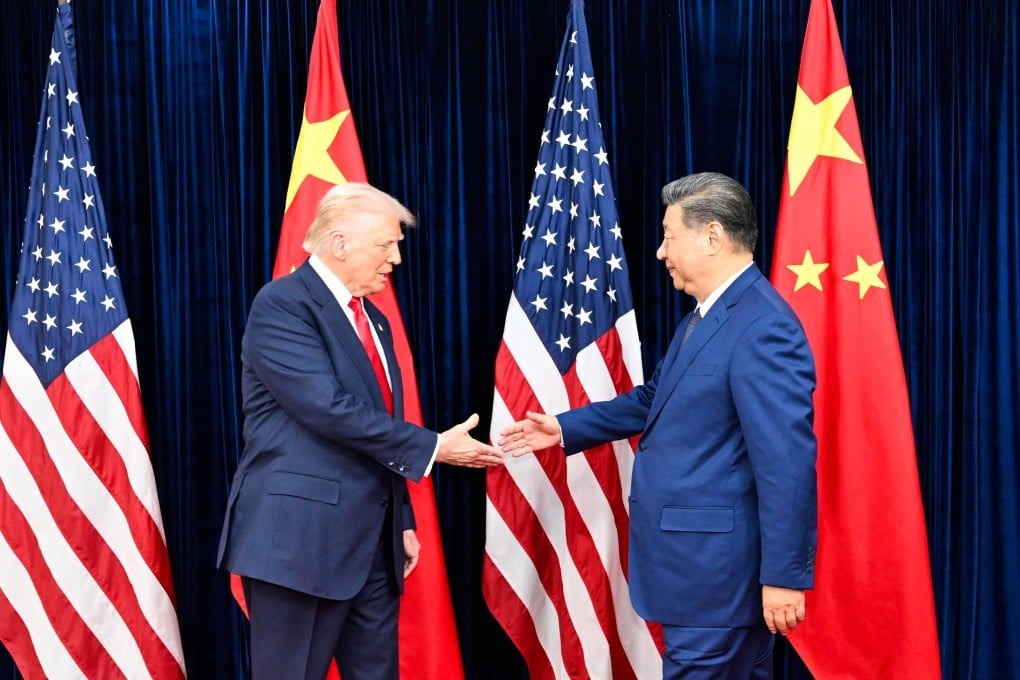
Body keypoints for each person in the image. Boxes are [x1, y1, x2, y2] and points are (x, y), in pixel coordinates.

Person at [500, 172, 817, 679]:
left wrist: (783, 576)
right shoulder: (704, 318)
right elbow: (657, 399)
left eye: (669, 236)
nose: (660, 252)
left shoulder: (763, 326)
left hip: (717, 583)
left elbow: (787, 464)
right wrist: (563, 428)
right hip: (696, 579)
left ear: (712, 236)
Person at [217, 182, 504, 680]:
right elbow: (327, 409)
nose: (395, 257)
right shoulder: (284, 305)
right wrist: (434, 446)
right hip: (298, 543)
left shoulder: (375, 319)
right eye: (386, 244)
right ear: (340, 243)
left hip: (374, 545)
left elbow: (376, 424)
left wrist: (402, 518)